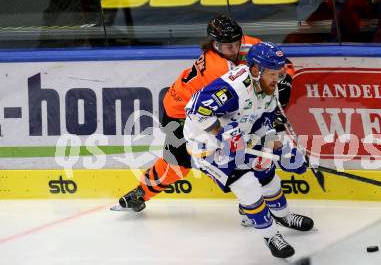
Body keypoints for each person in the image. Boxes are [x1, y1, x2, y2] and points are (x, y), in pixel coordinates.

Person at [114, 16, 294, 220]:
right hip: (182, 113)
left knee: (235, 150)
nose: (234, 49)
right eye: (227, 46)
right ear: (215, 44)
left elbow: (281, 63)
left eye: (237, 43)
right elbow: (244, 95)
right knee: (181, 161)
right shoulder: (217, 68)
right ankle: (141, 192)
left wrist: (286, 80)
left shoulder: (248, 44)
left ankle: (251, 201)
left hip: (210, 110)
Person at [183, 42, 314, 258]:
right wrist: (222, 133)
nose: (277, 78)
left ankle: (282, 215)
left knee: (266, 171)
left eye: (279, 72)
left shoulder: (270, 88)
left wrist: (283, 151)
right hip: (206, 144)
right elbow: (196, 110)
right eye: (272, 73)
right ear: (255, 70)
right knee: (247, 185)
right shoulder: (235, 87)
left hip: (238, 137)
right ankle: (271, 235)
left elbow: (263, 124)